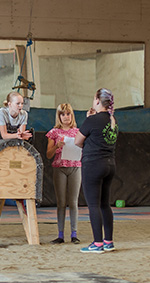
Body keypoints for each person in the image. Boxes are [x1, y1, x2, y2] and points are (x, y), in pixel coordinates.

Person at [75, 88, 118, 253]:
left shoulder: (92, 120)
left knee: (93, 205)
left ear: (98, 101)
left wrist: (88, 121)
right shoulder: (112, 120)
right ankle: (108, 241)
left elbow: (78, 141)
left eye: (94, 99)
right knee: (105, 204)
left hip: (93, 164)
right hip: (109, 164)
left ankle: (97, 243)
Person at [45, 103, 82, 244]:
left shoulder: (78, 132)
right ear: (59, 116)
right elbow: (48, 154)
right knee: (61, 202)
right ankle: (60, 234)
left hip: (75, 166)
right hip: (59, 167)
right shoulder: (54, 132)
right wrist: (56, 146)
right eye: (63, 114)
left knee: (73, 202)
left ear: (72, 115)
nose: (66, 117)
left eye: (68, 114)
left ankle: (74, 233)